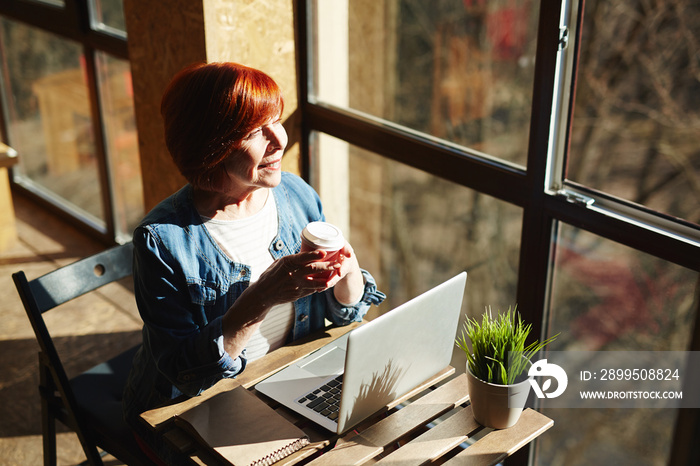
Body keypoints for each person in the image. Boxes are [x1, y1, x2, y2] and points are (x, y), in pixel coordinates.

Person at [122, 62, 385, 464]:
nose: (278, 140)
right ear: (211, 147)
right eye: (254, 132)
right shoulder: (161, 241)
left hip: (287, 380)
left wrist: (346, 266)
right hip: (190, 409)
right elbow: (180, 373)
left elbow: (347, 312)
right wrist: (260, 297)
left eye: (276, 120)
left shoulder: (295, 193)